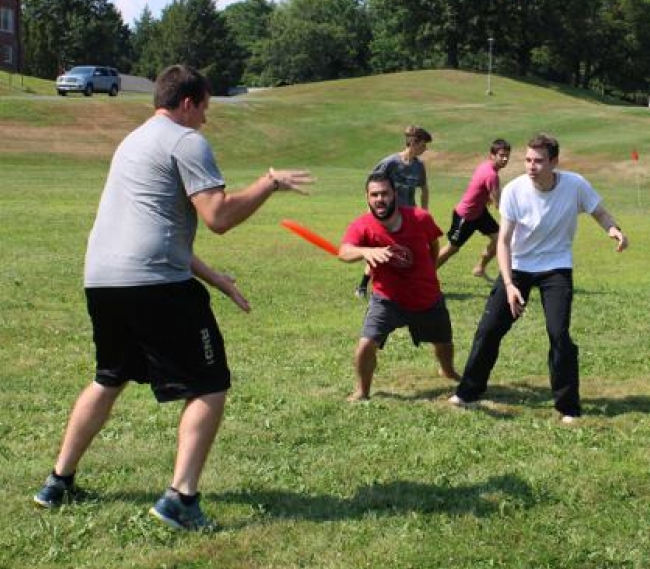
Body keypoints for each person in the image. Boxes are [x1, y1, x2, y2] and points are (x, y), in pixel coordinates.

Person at [32, 64, 313, 531]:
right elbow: (218, 217)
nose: (206, 119)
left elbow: (153, 232)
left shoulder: (134, 141)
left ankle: (57, 482)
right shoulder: (186, 141)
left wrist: (216, 279)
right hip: (154, 284)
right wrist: (270, 183)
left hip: (103, 280)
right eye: (205, 108)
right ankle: (181, 499)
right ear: (188, 103)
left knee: (110, 376)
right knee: (209, 384)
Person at [449, 134, 628, 423]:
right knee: (489, 330)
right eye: (528, 160)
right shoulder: (514, 190)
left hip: (556, 267)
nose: (531, 166)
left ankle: (568, 407)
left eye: (539, 161)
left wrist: (614, 230)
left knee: (559, 335)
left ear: (554, 162)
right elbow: (503, 242)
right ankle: (468, 392)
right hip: (518, 266)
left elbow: (600, 213)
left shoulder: (575, 185)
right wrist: (508, 286)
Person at [339, 172, 459, 401]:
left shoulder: (420, 218)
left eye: (385, 193)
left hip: (426, 296)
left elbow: (433, 244)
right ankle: (362, 391)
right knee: (365, 345)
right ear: (367, 197)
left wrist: (429, 272)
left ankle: (448, 370)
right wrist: (366, 251)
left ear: (395, 194)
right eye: (374, 194)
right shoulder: (362, 225)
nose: (380, 199)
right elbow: (344, 251)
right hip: (387, 300)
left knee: (443, 341)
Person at [355, 126, 433, 298]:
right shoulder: (390, 163)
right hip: (387, 215)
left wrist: (424, 212)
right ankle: (362, 285)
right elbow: (371, 184)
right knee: (383, 250)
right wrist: (371, 211)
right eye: (423, 144)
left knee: (409, 251)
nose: (425, 149)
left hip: (409, 216)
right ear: (414, 143)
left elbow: (424, 189)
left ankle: (407, 284)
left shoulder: (419, 166)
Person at [436, 139, 511, 280]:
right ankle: (426, 276)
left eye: (507, 155)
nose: (505, 159)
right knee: (452, 248)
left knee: (499, 239)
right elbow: (499, 204)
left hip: (480, 213)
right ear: (492, 155)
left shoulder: (486, 166)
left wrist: (485, 197)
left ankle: (479, 268)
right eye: (501, 155)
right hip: (466, 216)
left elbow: (479, 186)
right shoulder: (492, 175)